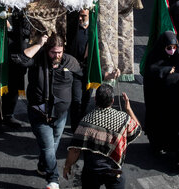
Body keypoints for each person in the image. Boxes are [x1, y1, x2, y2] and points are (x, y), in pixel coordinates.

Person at [16, 34, 82, 189]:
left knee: (53, 144)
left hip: (60, 115)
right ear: (47, 50)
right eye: (53, 52)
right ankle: (53, 179)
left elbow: (85, 74)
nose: (57, 55)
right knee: (48, 147)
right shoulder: (38, 60)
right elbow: (20, 60)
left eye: (59, 52)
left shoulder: (70, 61)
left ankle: (41, 166)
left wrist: (108, 75)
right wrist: (39, 44)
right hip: (40, 113)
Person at [63, 84, 141, 188]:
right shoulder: (123, 119)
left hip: (91, 172)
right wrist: (128, 108)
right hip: (114, 172)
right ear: (112, 101)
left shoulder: (85, 121)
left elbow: (75, 150)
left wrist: (67, 166)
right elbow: (137, 129)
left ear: (95, 99)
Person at [143, 31, 179, 169]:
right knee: (160, 125)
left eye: (174, 47)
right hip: (161, 101)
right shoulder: (154, 55)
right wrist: (165, 70)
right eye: (169, 48)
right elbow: (150, 72)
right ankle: (159, 146)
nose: (172, 51)